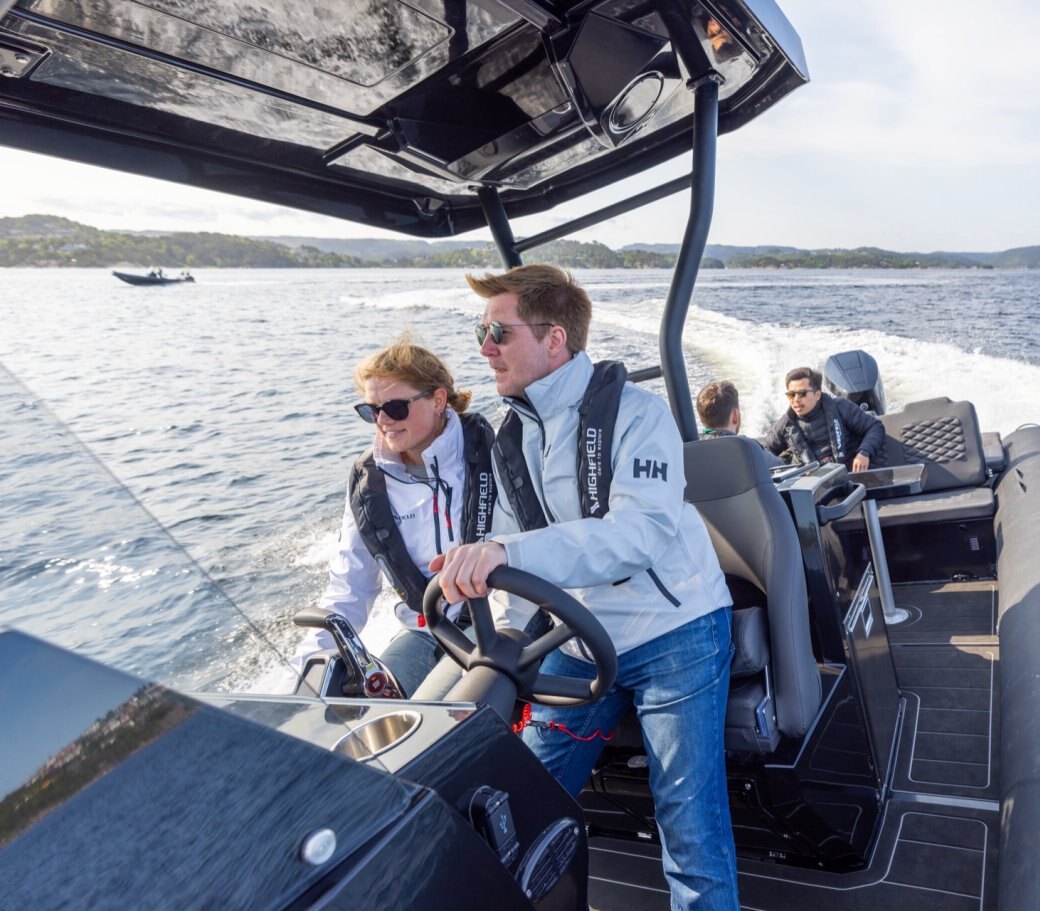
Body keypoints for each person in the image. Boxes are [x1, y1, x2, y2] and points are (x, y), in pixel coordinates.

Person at [433, 265, 739, 911]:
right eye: (480, 332)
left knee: (689, 824)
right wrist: (504, 636)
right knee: (523, 800)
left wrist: (503, 553)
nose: (484, 348)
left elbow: (638, 535)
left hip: (676, 631)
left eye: (498, 332)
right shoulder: (509, 437)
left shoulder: (640, 414)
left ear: (555, 338)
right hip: (576, 640)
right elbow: (514, 561)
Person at [299, 331, 495, 697]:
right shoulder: (368, 485)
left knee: (430, 713)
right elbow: (349, 589)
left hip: (499, 620)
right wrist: (304, 680)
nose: (383, 420)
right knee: (367, 710)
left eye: (395, 407)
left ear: (438, 400)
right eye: (371, 411)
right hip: (426, 631)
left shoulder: (495, 452)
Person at [763, 366, 884, 471]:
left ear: (817, 395)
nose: (796, 399)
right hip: (813, 486)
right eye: (791, 395)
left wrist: (864, 452)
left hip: (852, 477)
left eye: (802, 394)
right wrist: (789, 471)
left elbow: (874, 427)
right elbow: (764, 452)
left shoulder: (841, 407)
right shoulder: (785, 424)